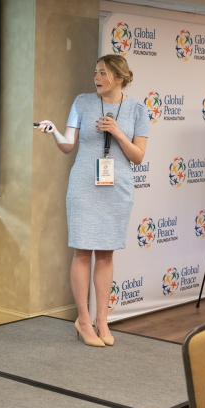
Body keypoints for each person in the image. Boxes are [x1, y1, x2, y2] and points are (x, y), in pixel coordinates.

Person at [35, 54, 149, 347]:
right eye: (95, 72)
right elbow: (68, 145)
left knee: (107, 253)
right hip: (84, 186)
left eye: (103, 73)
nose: (96, 78)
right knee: (83, 251)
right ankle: (83, 319)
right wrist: (54, 132)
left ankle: (102, 319)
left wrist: (117, 133)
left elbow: (137, 156)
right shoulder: (82, 102)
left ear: (119, 78)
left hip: (117, 187)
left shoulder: (137, 109)